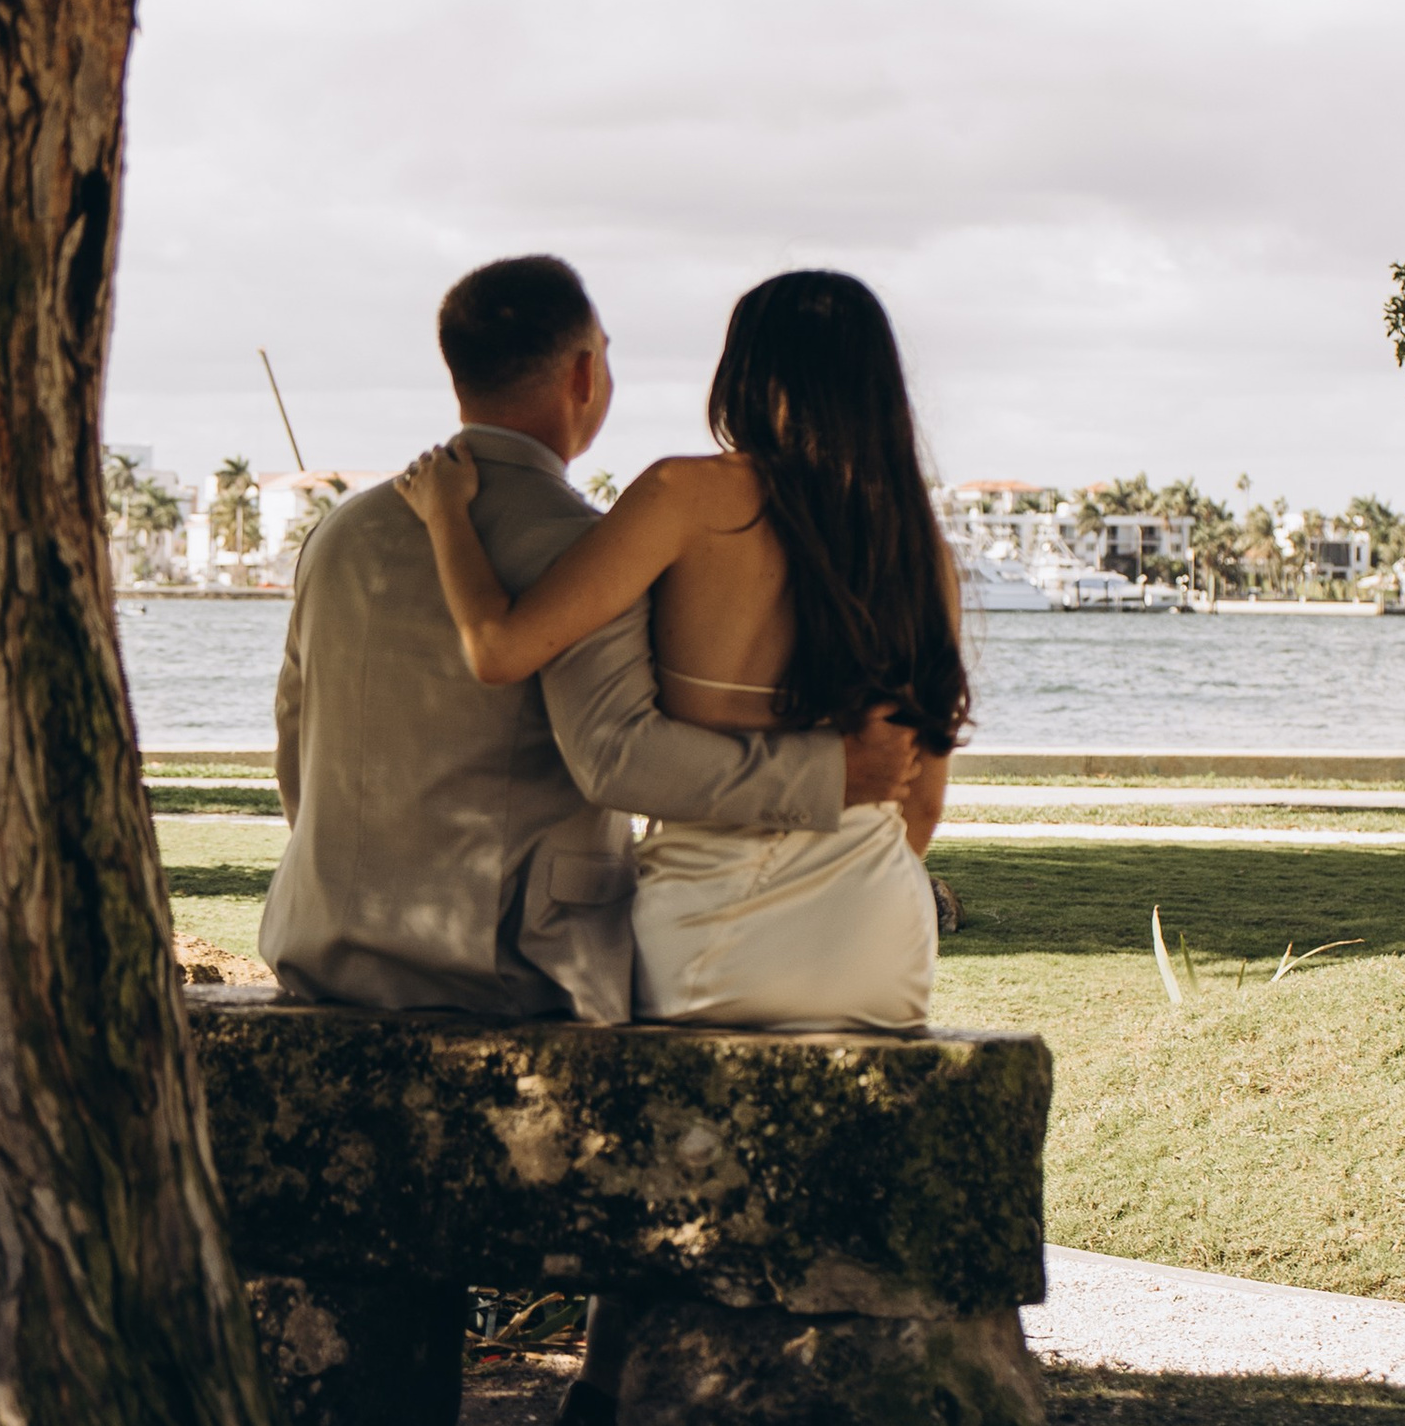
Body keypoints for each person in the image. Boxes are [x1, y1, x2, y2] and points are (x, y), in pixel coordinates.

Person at [258, 255, 918, 1023]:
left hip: (325, 945)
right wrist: (832, 774)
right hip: (514, 962)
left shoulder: (340, 532)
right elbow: (618, 754)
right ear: (583, 374)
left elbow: (295, 743)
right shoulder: (584, 547)